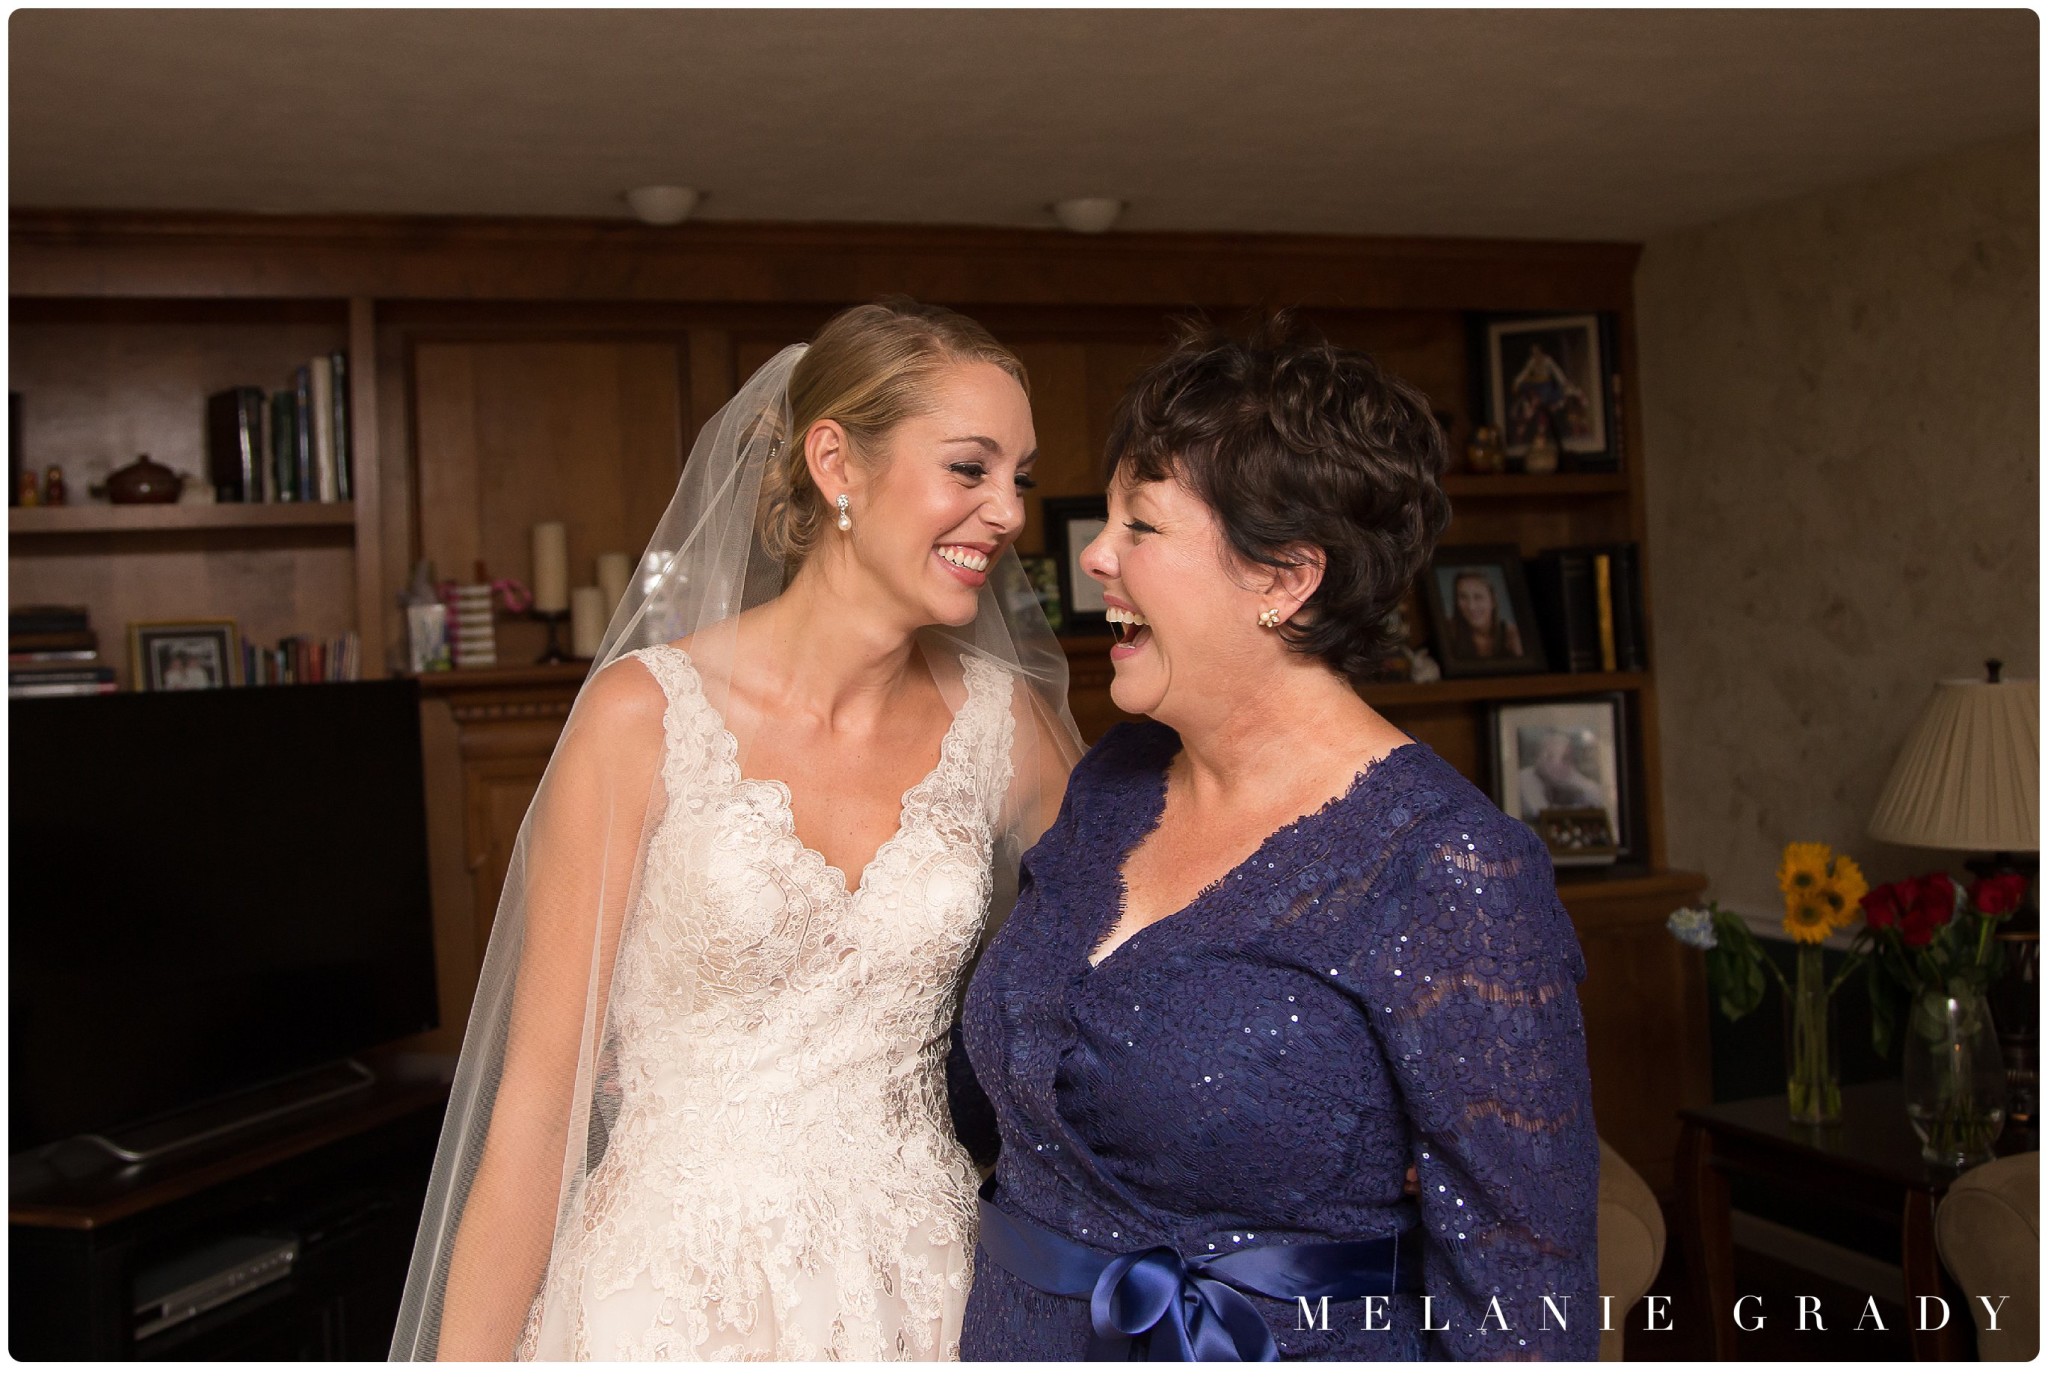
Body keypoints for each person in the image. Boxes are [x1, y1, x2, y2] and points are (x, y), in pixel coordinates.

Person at [390, 300, 1081, 1361]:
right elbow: (537, 1105)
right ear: (836, 463)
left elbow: (1141, 951)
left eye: (1018, 478)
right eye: (969, 469)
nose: (1007, 513)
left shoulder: (1006, 729)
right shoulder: (645, 718)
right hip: (667, 1299)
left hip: (920, 1290)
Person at [955, 318, 1599, 1361]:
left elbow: (1526, 1302)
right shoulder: (1114, 783)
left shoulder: (1447, 867)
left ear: (1285, 578)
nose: (1095, 555)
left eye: (1141, 525)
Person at [1518, 729, 1605, 816]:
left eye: (1565, 758)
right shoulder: (1524, 778)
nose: (1557, 764)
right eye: (1549, 757)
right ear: (1537, 758)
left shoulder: (1571, 777)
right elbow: (1541, 814)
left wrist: (1575, 780)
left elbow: (1602, 801)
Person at [1446, 568, 1524, 661]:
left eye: (1478, 597)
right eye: (1463, 597)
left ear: (1493, 600)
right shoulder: (1448, 630)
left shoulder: (1511, 635)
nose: (1471, 606)